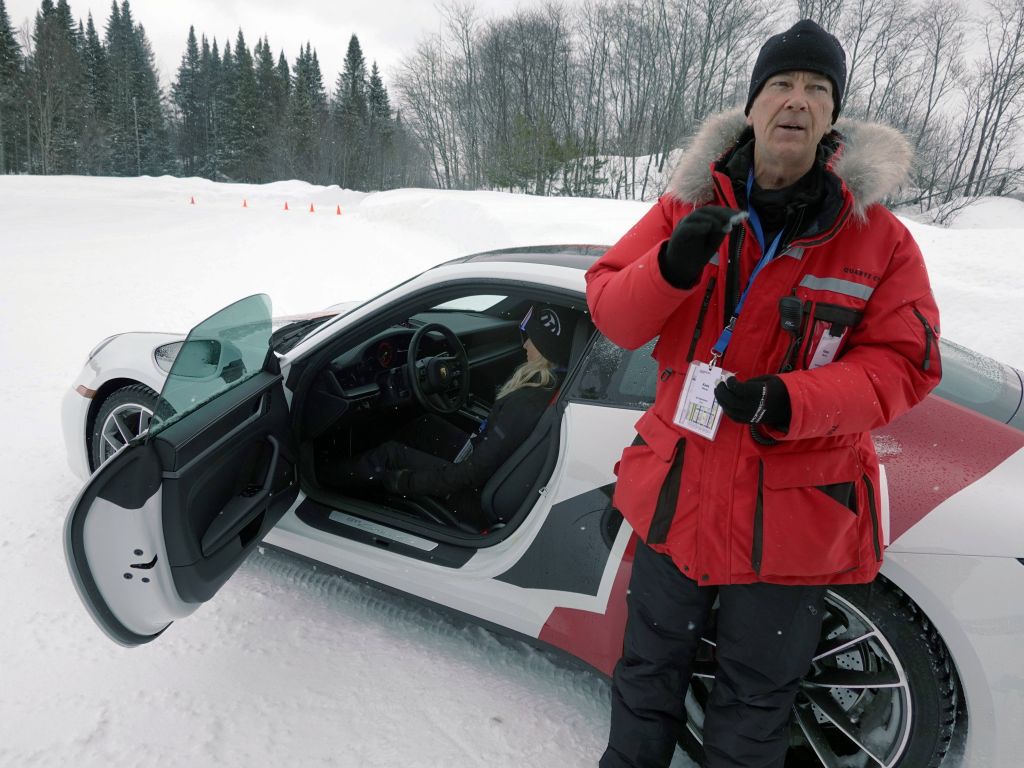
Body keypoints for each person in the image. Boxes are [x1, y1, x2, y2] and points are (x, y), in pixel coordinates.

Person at [585, 19, 941, 768]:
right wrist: (672, 268)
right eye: (780, 84)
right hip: (678, 498)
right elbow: (612, 312)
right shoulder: (685, 206)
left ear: (831, 116)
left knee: (754, 706)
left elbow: (906, 363)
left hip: (792, 519)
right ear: (751, 106)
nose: (795, 100)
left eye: (816, 88)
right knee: (646, 677)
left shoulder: (880, 238)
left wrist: (791, 401)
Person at [329, 304, 574, 530]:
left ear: (545, 348)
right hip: (483, 461)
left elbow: (470, 474)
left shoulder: (524, 404)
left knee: (389, 454)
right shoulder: (547, 389)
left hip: (473, 493)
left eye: (531, 338)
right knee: (425, 424)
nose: (524, 345)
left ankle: (328, 483)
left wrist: (405, 482)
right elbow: (494, 443)